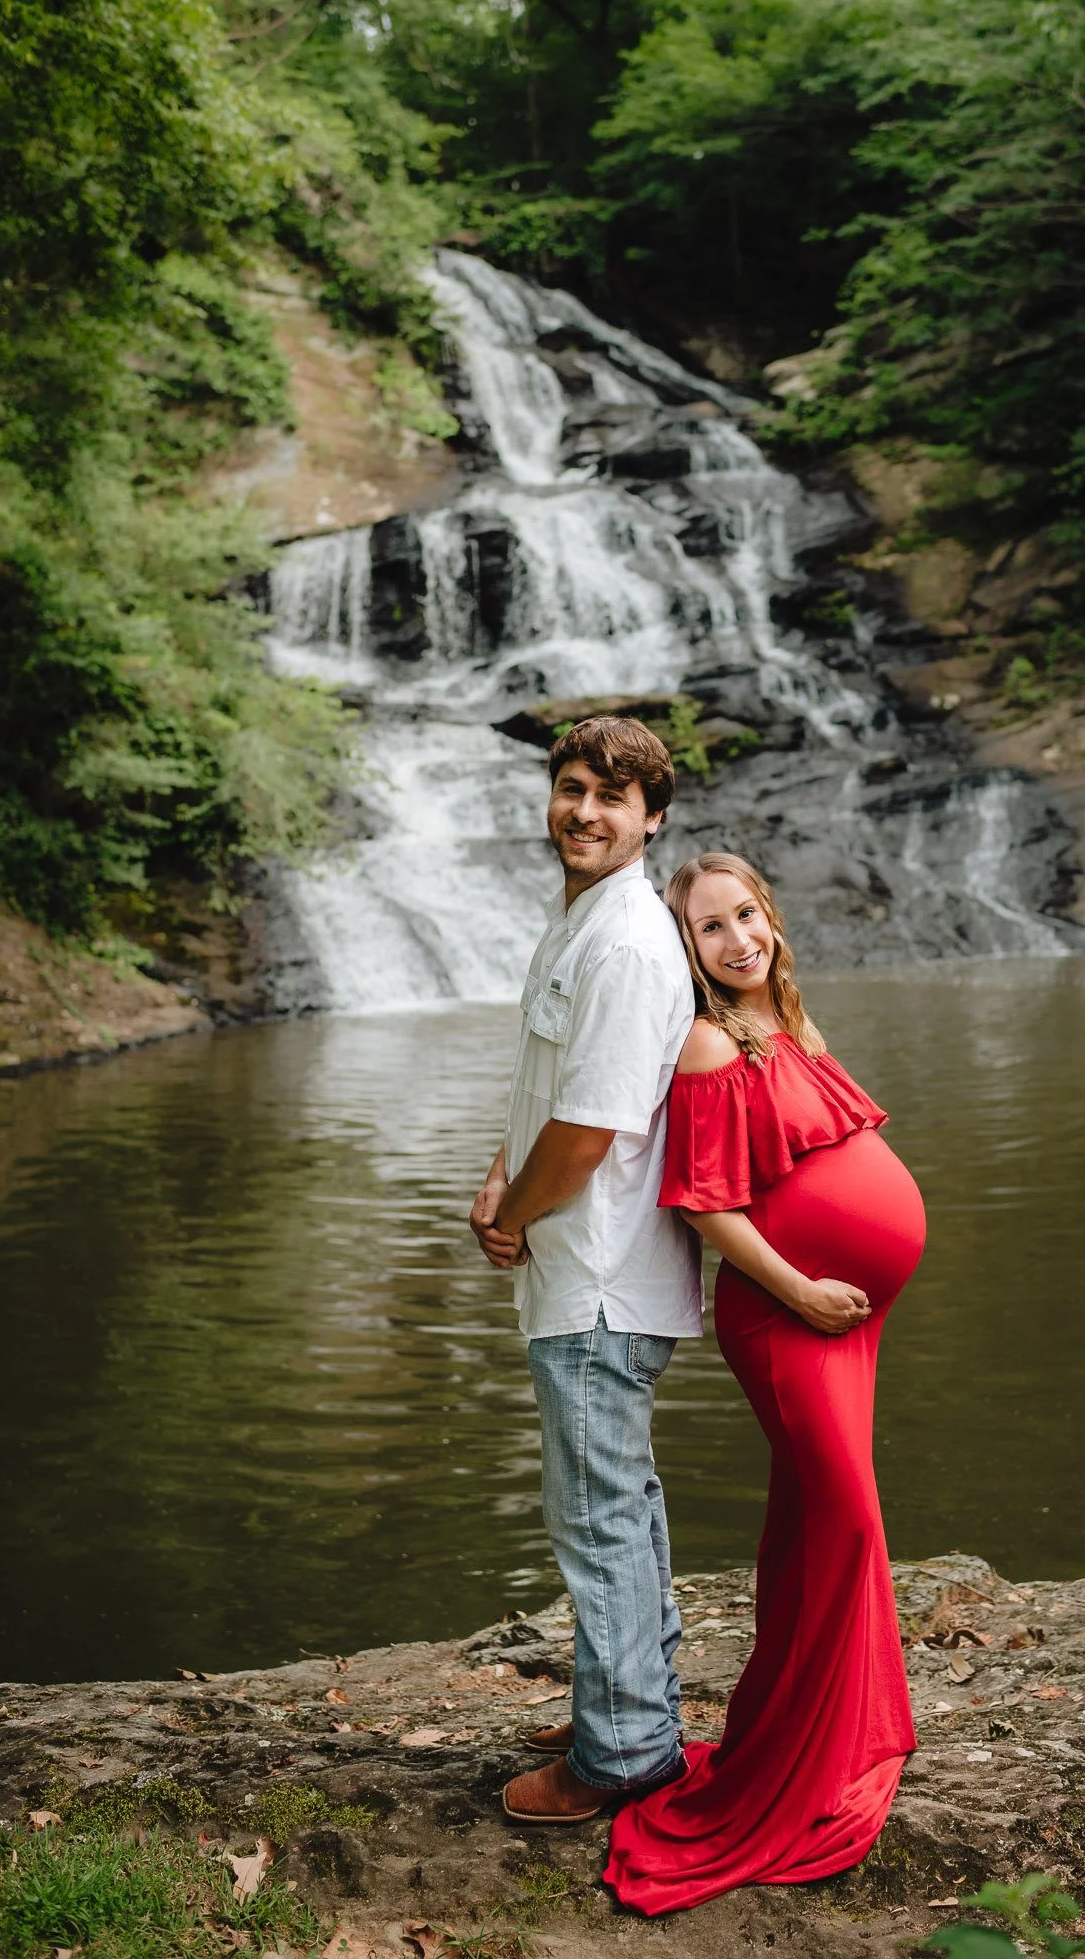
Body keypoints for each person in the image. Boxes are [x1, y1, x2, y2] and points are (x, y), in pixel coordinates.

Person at [604, 851, 925, 1913]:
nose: (737, 938)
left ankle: (829, 1733)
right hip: (785, 1319)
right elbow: (700, 1204)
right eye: (708, 928)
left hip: (839, 1317)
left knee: (810, 1526)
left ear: (770, 916)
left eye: (745, 914)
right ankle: (794, 1771)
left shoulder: (779, 1018)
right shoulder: (704, 1040)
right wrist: (799, 1290)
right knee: (843, 1519)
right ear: (682, 950)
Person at [470, 715, 698, 1824]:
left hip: (595, 1273)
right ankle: (631, 1699)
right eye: (570, 788)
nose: (583, 811)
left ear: (651, 817)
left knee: (595, 1512)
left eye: (612, 797)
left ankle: (623, 1753)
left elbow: (597, 1125)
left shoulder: (620, 939)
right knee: (620, 1502)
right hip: (580, 1257)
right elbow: (550, 1088)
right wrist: (497, 1169)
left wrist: (513, 1211)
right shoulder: (580, 919)